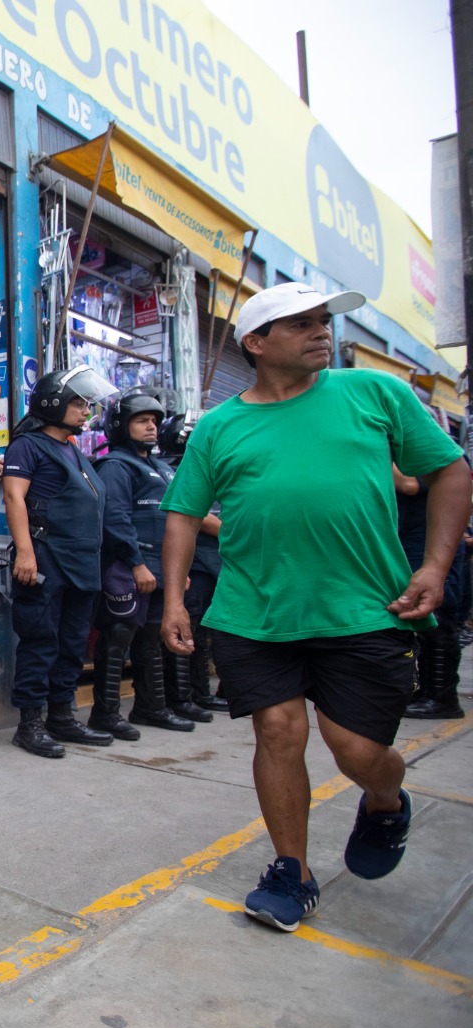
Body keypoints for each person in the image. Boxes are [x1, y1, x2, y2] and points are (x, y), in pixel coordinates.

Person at [161, 283, 471, 933]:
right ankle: (291, 870)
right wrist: (174, 600)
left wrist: (435, 566)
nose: (321, 332)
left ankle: (385, 801)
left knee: (357, 750)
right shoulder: (219, 427)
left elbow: (450, 470)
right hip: (255, 611)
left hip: (365, 607)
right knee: (278, 731)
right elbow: (184, 515)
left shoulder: (376, 394)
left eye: (323, 321)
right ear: (256, 342)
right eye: (300, 324)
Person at [1, 364, 120, 757]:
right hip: (46, 559)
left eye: (88, 404)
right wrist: (25, 552)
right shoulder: (28, 445)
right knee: (41, 641)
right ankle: (30, 724)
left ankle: (61, 716)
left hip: (81, 563)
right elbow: (15, 497)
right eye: (78, 403)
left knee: (71, 644)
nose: (86, 410)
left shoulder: (73, 449)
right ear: (53, 403)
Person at [90, 389, 201, 739]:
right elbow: (115, 518)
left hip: (161, 568)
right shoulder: (115, 466)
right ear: (122, 425)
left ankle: (151, 707)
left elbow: (178, 523)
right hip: (129, 567)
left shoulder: (162, 468)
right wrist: (137, 563)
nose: (151, 427)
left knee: (152, 639)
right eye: (142, 421)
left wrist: (176, 572)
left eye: (154, 421)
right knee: (118, 635)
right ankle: (104, 714)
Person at [156, 414, 230, 716]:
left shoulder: (213, 469)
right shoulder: (174, 472)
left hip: (216, 562)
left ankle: (206, 692)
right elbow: (193, 516)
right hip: (196, 564)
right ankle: (190, 696)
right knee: (192, 630)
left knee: (211, 630)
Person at [395, 462, 469, 719]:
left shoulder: (433, 454)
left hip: (430, 549)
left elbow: (409, 484)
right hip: (411, 546)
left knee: (437, 622)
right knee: (420, 626)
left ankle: (442, 698)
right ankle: (423, 691)